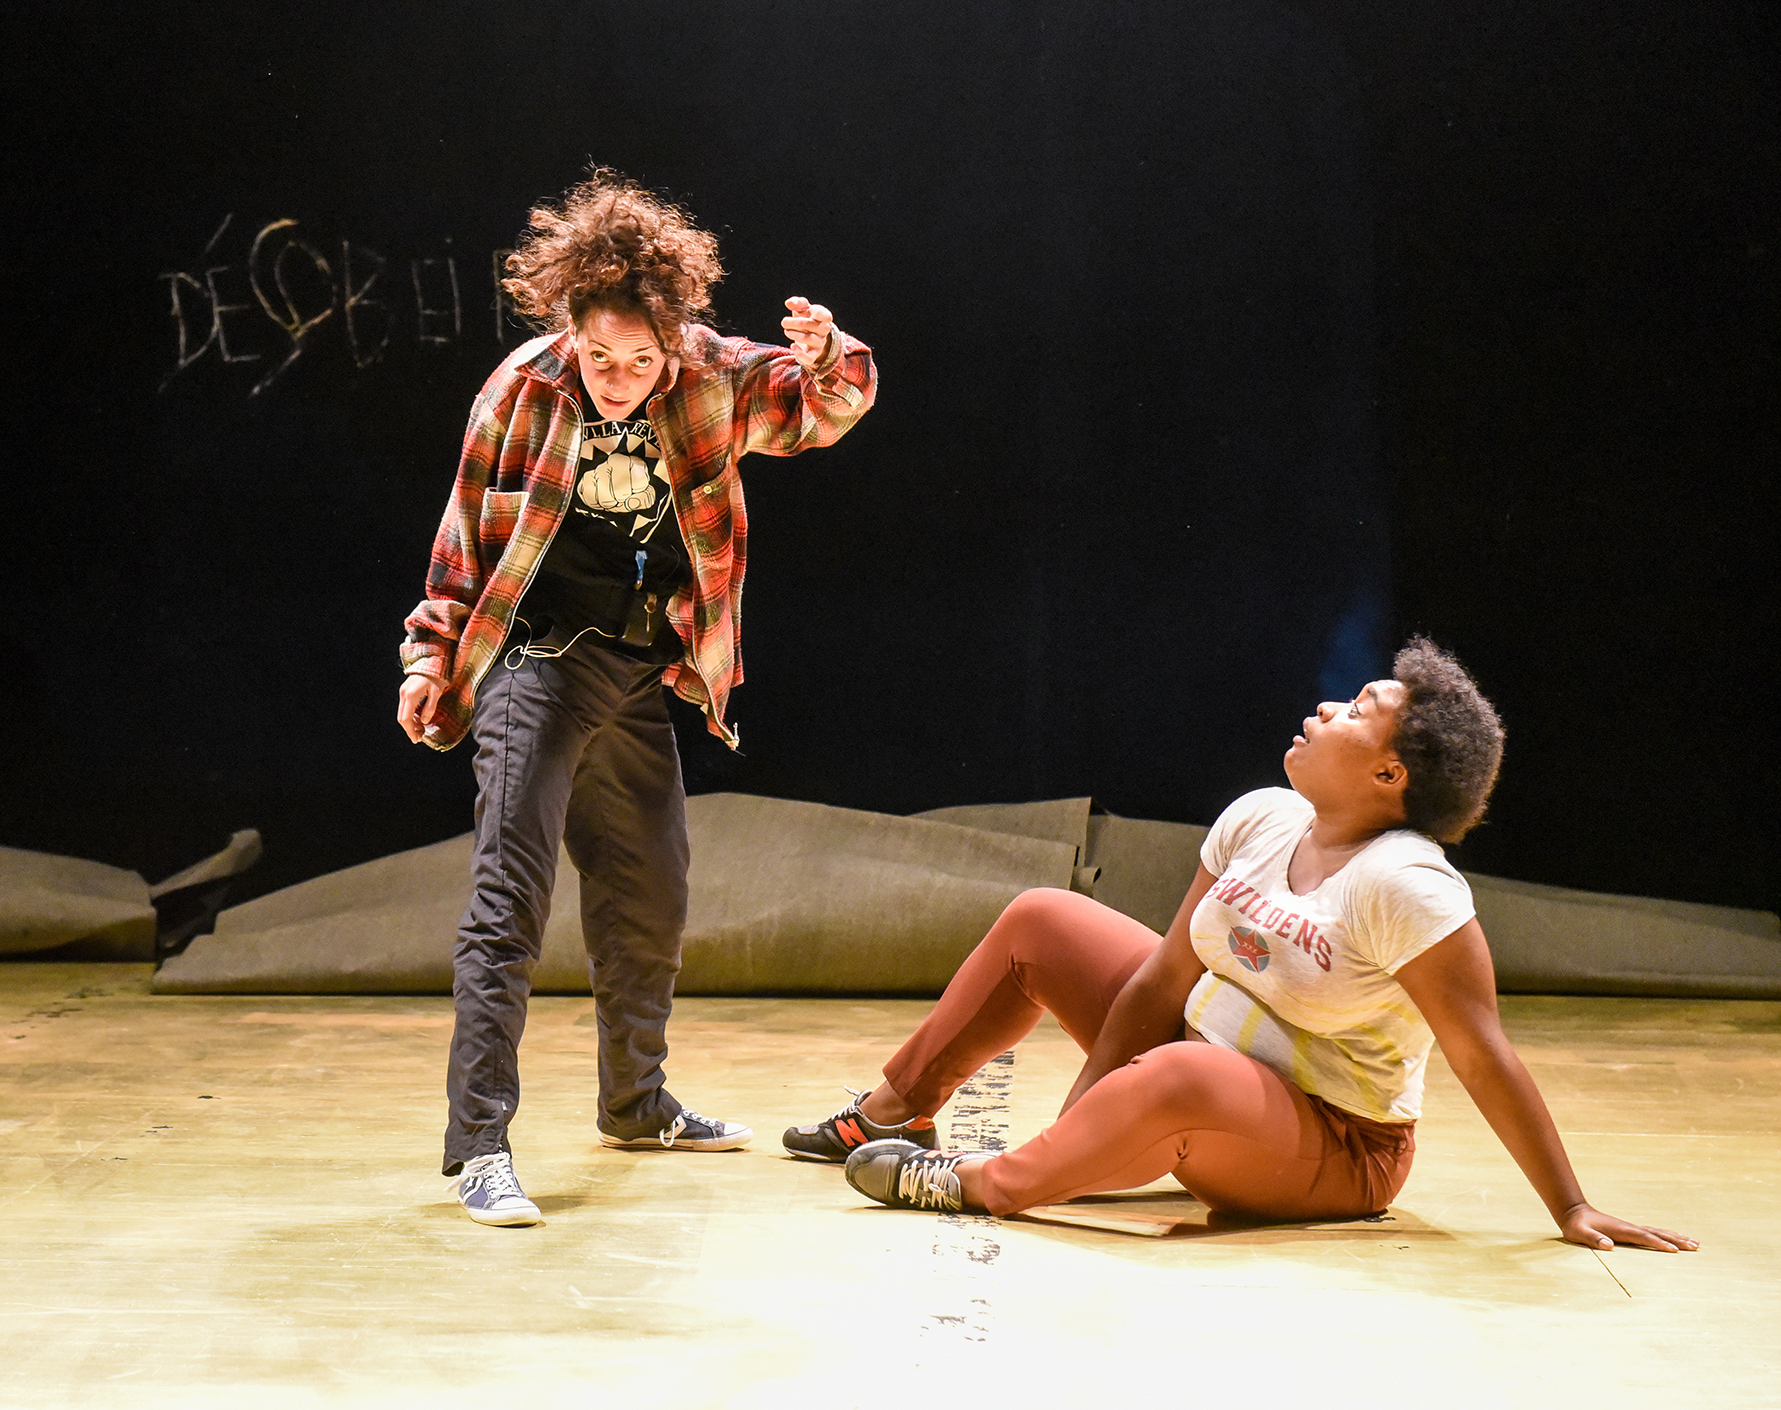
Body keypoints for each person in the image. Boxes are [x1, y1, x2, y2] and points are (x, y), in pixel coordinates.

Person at [792, 640, 1696, 1254]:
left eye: (1357, 710)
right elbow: (1161, 982)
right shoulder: (1262, 817)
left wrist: (1570, 1204)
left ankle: (984, 1182)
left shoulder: (1408, 886)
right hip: (1196, 1057)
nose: (1327, 706)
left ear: (1390, 773)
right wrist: (1083, 1130)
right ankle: (895, 1111)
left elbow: (1482, 1052)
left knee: (1181, 1076)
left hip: (1335, 1144)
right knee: (1044, 919)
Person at [398, 171, 878, 1225]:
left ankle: (636, 1102)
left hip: (637, 666)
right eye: (600, 359)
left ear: (672, 340)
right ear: (568, 331)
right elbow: (461, 539)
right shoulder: (520, 390)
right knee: (508, 899)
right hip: (534, 661)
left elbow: (822, 411)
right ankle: (480, 1146)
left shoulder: (711, 374)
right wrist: (427, 660)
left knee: (651, 892)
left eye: (640, 361)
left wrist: (826, 355)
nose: (618, 382)